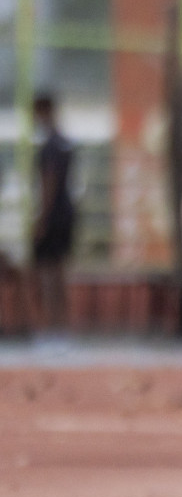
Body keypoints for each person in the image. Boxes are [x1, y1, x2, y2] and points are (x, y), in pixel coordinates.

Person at [28, 93, 76, 338]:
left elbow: (50, 182)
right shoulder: (65, 142)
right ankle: (62, 328)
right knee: (59, 271)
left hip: (54, 214)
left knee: (47, 272)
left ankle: (51, 328)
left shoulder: (49, 146)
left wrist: (42, 218)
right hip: (67, 213)